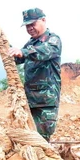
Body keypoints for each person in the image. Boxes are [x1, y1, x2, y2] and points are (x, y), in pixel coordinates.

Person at [8, 8, 62, 141]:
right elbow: (18, 58)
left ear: (43, 20)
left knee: (41, 139)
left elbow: (45, 51)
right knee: (28, 136)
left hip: (45, 102)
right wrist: (3, 45)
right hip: (30, 100)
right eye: (27, 25)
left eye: (33, 24)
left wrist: (23, 52)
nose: (30, 28)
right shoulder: (31, 43)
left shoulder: (53, 40)